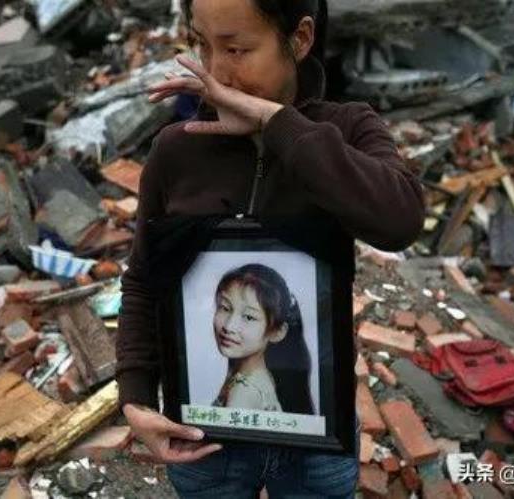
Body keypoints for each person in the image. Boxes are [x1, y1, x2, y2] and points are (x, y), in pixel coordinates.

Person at [117, 0, 425, 496]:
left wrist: (274, 124)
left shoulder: (345, 131)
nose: (215, 72)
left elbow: (400, 221)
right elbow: (144, 278)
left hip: (314, 439)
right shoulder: (177, 149)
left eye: (236, 49)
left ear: (299, 40)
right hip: (204, 440)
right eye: (200, 44)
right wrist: (134, 398)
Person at [210, 264, 314, 415]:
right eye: (225, 308)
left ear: (277, 332)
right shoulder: (258, 377)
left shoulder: (244, 391)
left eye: (248, 317)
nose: (229, 326)